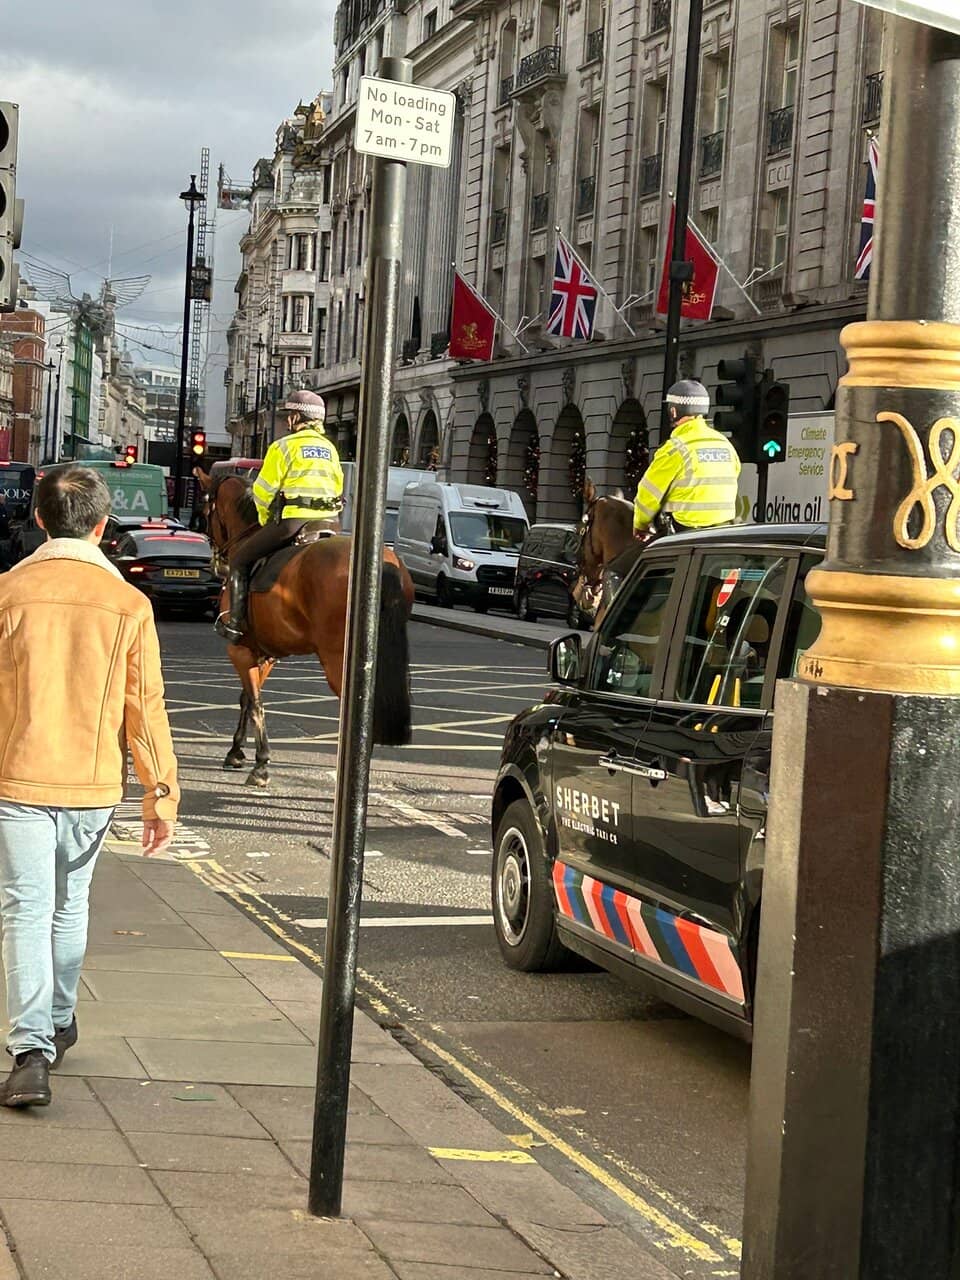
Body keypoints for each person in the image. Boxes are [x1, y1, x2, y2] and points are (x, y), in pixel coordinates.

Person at [0, 466, 178, 1108]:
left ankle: (31, 1053)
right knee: (68, 907)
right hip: (95, 782)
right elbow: (145, 706)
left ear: (41, 520)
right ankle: (55, 1022)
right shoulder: (130, 604)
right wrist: (161, 793)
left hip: (17, 774)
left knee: (24, 909)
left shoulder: (7, 593)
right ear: (103, 526)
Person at [215, 389, 344, 644]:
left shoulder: (284, 446)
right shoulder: (330, 449)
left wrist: (264, 521)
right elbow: (338, 486)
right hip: (330, 524)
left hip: (293, 522)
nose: (287, 421)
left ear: (298, 418)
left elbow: (262, 492)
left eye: (290, 415)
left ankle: (236, 623)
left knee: (240, 560)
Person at [633, 380, 741, 537]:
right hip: (724, 533)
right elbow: (735, 473)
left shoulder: (675, 449)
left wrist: (640, 524)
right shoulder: (724, 443)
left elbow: (648, 493)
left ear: (674, 411)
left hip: (685, 534)